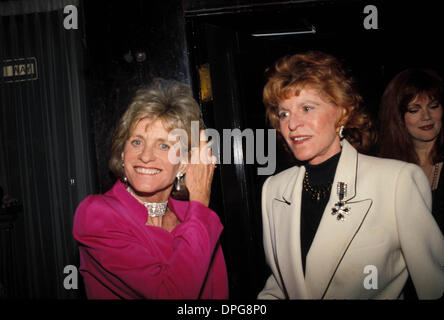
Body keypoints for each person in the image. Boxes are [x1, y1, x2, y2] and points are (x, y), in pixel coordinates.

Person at [257, 51, 444, 299]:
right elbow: (279, 286)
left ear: (342, 112)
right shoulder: (275, 189)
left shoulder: (396, 182)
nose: (292, 124)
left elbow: (434, 286)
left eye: (307, 108)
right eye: (284, 113)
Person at [73, 79, 228, 299]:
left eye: (163, 145)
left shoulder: (193, 219)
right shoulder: (96, 215)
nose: (145, 156)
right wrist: (201, 202)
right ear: (123, 153)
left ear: (184, 162)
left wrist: (198, 211)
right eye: (137, 142)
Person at [378, 68, 444, 233]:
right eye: (415, 110)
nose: (426, 116)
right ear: (397, 117)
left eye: (433, 106)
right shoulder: (385, 167)